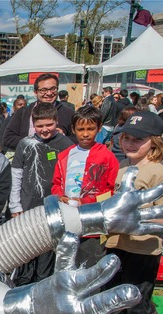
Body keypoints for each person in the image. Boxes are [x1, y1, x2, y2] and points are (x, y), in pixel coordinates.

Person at [81, 111, 163, 314]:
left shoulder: (158, 172)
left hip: (142, 249)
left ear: (155, 142)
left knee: (137, 303)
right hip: (115, 244)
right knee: (113, 295)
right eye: (126, 138)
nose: (130, 144)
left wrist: (136, 219)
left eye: (138, 140)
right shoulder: (124, 166)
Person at [9, 103, 73, 286]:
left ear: (57, 122)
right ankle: (22, 290)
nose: (44, 129)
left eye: (49, 125)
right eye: (40, 125)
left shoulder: (65, 144)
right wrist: (15, 206)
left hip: (53, 211)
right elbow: (16, 175)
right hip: (27, 208)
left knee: (46, 258)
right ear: (33, 124)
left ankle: (42, 291)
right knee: (25, 256)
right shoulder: (25, 144)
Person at [52, 106, 119, 267]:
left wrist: (87, 202)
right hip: (68, 222)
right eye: (81, 129)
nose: (86, 134)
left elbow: (112, 190)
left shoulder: (107, 156)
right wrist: (59, 196)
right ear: (73, 129)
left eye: (90, 129)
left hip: (93, 225)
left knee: (91, 267)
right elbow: (56, 183)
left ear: (99, 128)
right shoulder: (65, 155)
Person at [2, 73, 75, 154]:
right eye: (43, 90)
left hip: (58, 163)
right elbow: (8, 138)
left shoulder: (68, 113)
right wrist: (33, 144)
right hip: (29, 162)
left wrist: (62, 138)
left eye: (53, 89)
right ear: (35, 92)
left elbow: (79, 140)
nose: (49, 93)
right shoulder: (23, 112)